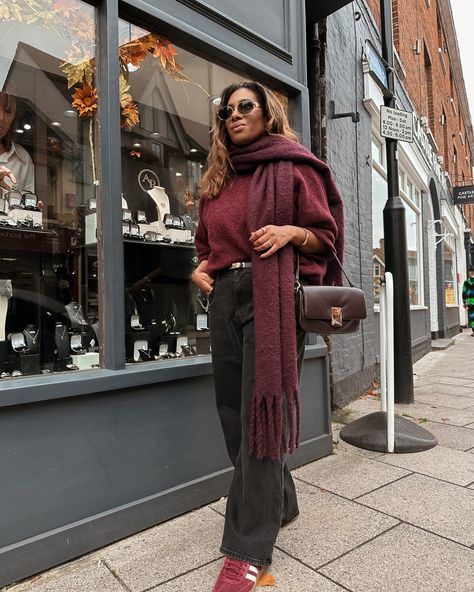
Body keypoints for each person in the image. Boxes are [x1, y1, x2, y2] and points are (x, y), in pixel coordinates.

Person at [192, 81, 344, 591]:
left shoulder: (294, 166)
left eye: (244, 106)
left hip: (273, 295)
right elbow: (203, 243)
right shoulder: (217, 178)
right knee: (234, 417)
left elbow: (326, 235)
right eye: (226, 111)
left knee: (262, 414)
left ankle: (245, 553)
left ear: (266, 113)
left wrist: (286, 233)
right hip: (226, 298)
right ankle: (281, 501)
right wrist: (200, 269)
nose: (234, 115)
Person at [0, 91, 34, 192]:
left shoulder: (22, 158)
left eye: (8, 111)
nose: (1, 118)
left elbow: (27, 200)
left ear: (14, 116)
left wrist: (31, 207)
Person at [462, 267, 474, 336]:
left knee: (472, 317)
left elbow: (464, 292)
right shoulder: (466, 282)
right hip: (470, 302)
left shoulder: (466, 282)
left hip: (470, 302)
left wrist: (464, 302)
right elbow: (464, 292)